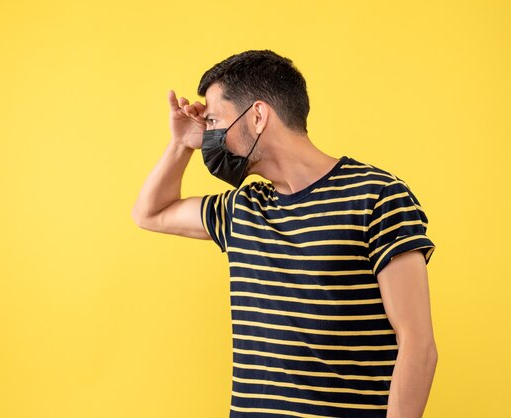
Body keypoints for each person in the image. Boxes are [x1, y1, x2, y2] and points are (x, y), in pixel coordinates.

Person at [132, 50, 438, 418]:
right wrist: (181, 144)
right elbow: (150, 213)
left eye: (214, 120)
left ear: (258, 116)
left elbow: (417, 345)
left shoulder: (377, 196)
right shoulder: (242, 208)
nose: (209, 135)